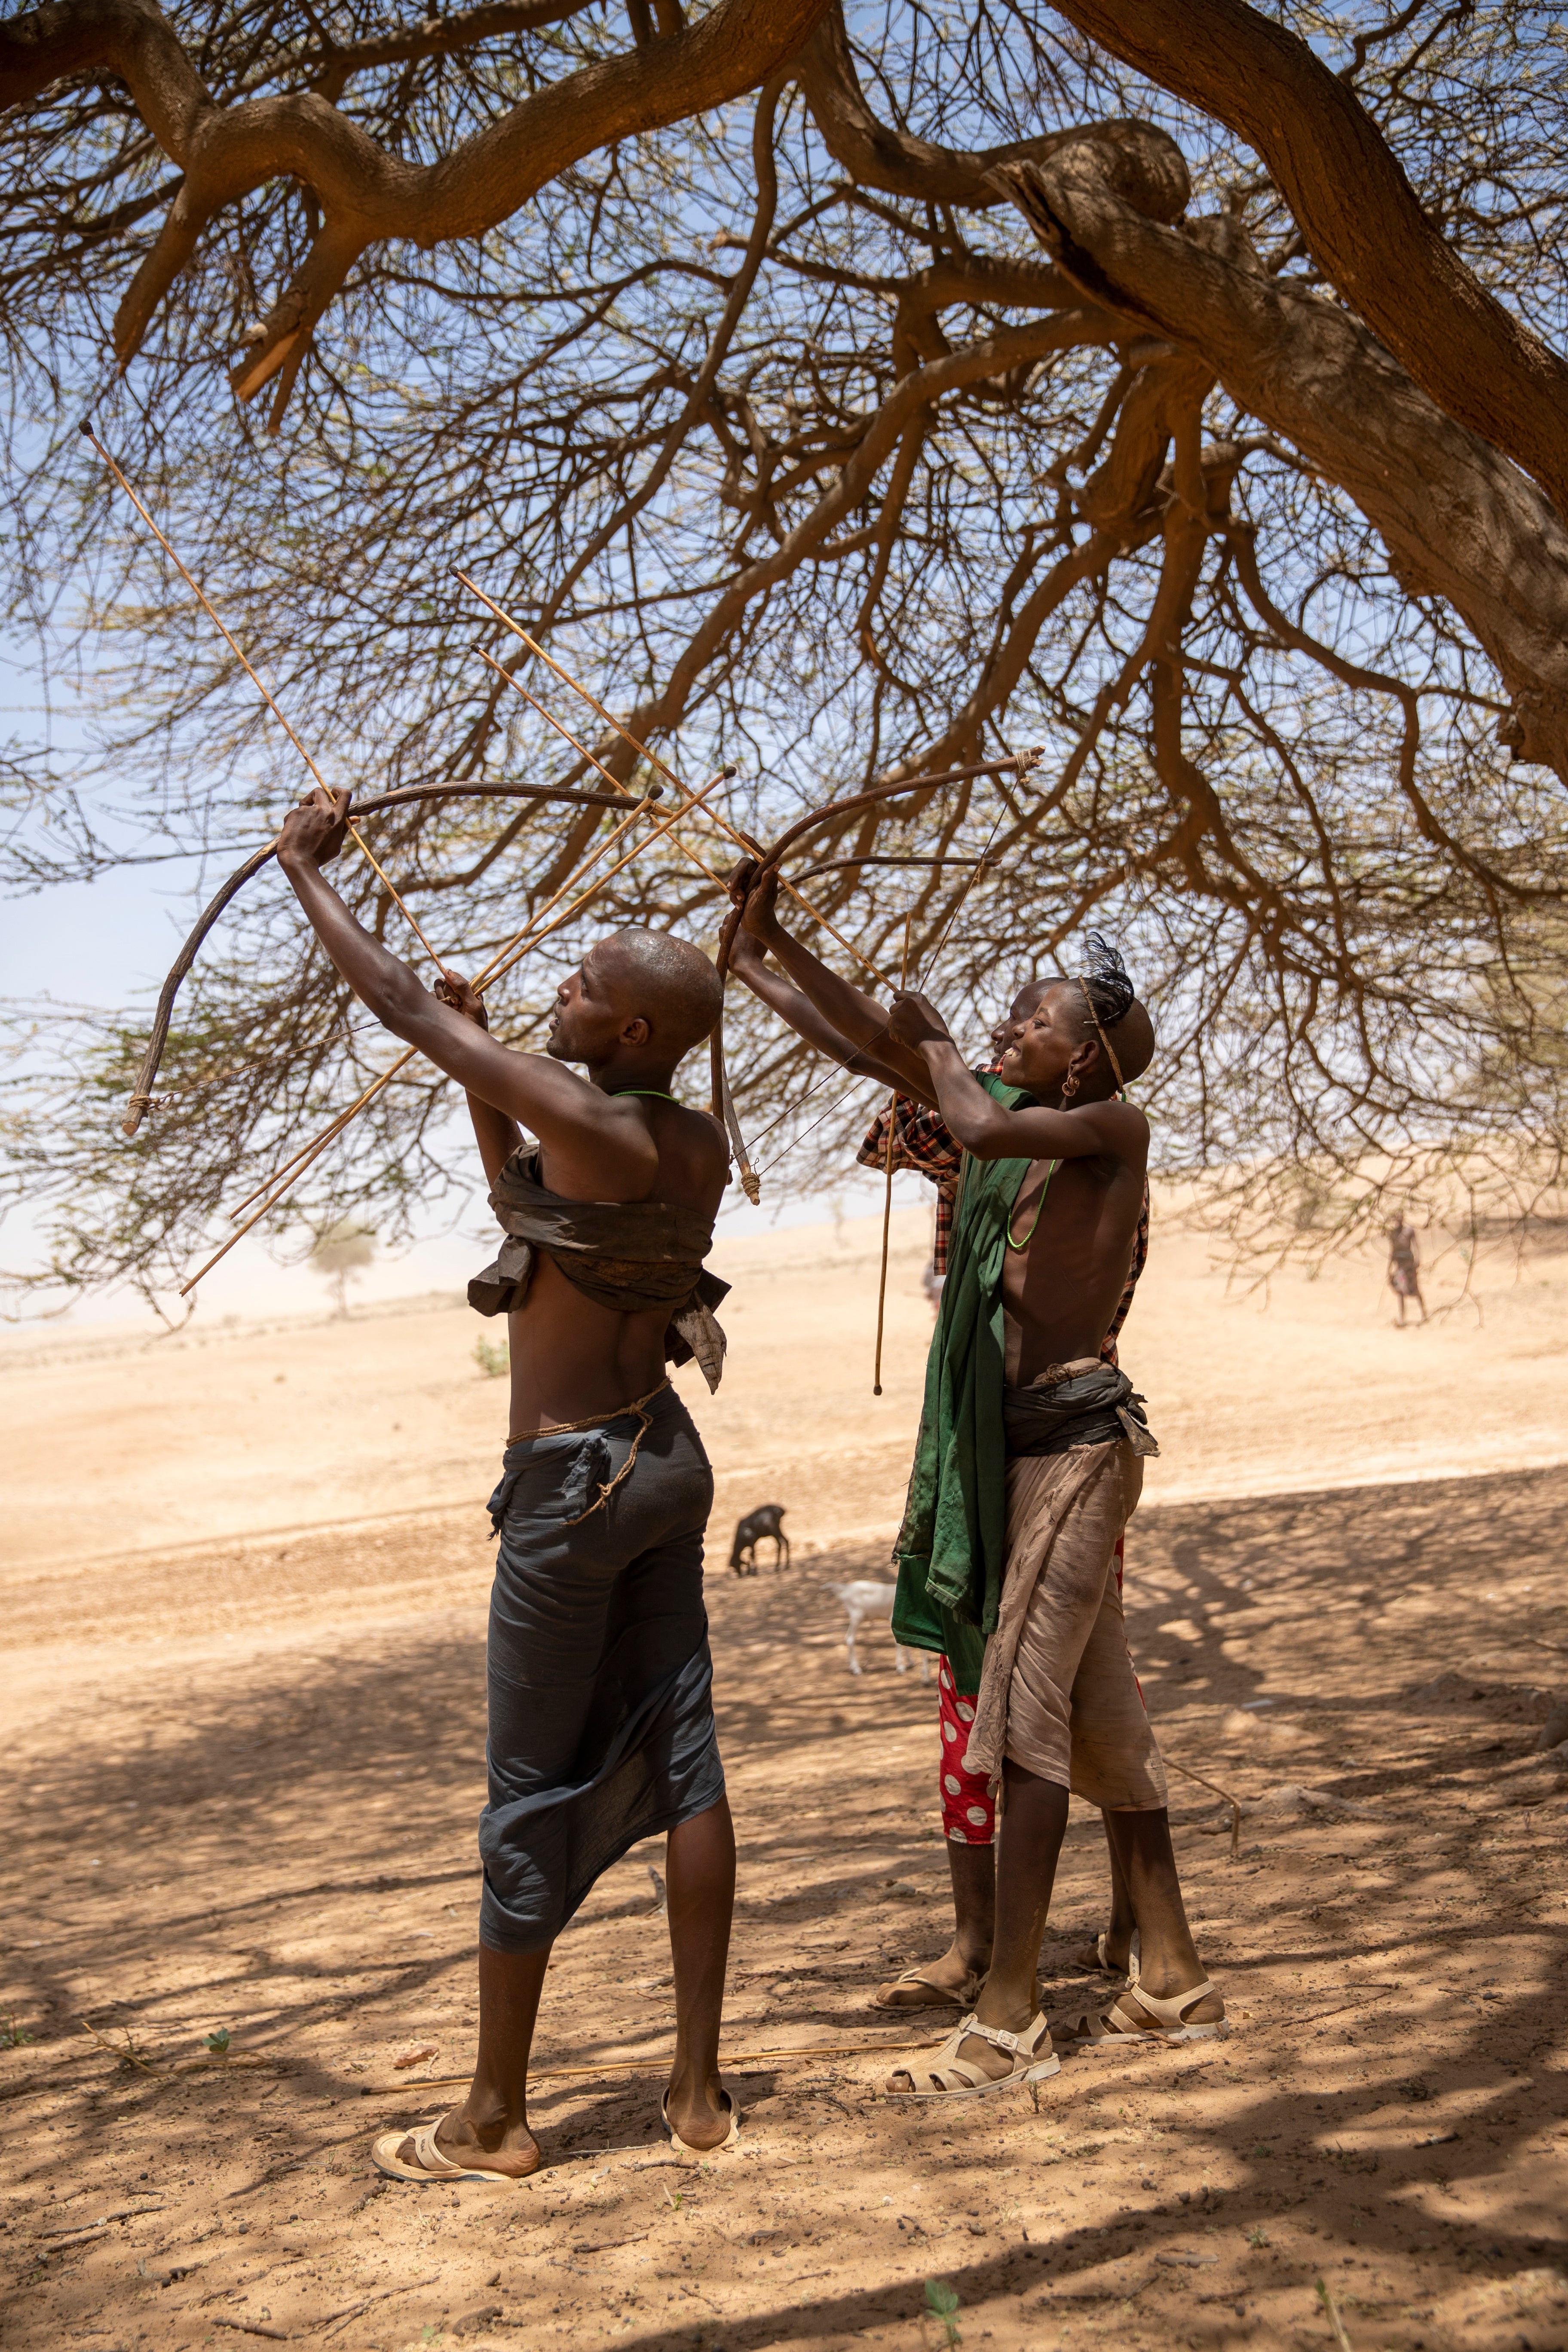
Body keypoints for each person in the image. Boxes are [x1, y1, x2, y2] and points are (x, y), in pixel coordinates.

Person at [277, 786, 738, 2176]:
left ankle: (490, 2117)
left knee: (525, 1787)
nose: (565, 988)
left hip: (571, 1487)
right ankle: (699, 2095)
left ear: (633, 1032)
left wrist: (308, 875)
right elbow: (536, 1210)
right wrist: (489, 1065)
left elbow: (409, 1015)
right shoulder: (683, 1141)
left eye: (585, 988)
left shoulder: (607, 1125)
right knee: (689, 1760)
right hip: (663, 1460)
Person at [728, 888, 1155, 2021]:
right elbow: (873, 1042)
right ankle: (1019, 1949)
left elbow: (947, 1094)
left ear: (1085, 1061)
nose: (1007, 1031)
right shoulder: (998, 1111)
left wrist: (937, 1043)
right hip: (990, 1450)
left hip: (1069, 1449)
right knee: (993, 1697)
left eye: (1034, 1023)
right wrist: (766, 957)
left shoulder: (1088, 1133)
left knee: (1053, 1706)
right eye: (1004, 1022)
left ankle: (1081, 1956)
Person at [1386, 1218, 1427, 1325]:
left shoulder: (1409, 1230)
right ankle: (1402, 1318)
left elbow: (1415, 1245)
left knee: (1415, 1289)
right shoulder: (1393, 1233)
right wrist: (1389, 1268)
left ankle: (1424, 1314)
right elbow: (1392, 1250)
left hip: (1409, 1264)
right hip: (1399, 1265)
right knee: (1400, 1291)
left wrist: (1418, 1259)